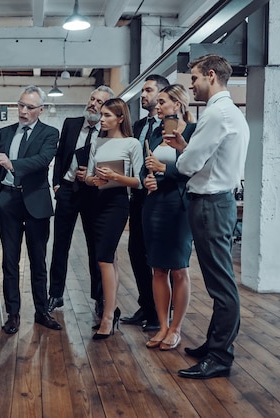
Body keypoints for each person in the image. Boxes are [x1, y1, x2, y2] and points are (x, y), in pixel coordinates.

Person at [166, 54, 249, 379]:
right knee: (220, 281)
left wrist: (184, 153)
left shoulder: (216, 115)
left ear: (211, 76)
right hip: (217, 200)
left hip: (211, 204)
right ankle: (215, 344)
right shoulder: (231, 113)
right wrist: (188, 147)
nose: (192, 86)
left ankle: (220, 356)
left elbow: (187, 166)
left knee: (221, 285)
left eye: (195, 79)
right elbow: (204, 158)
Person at [0, 85, 62, 334]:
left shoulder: (50, 133)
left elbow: (42, 161)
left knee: (38, 261)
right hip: (8, 201)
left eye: (29, 107)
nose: (22, 111)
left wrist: (12, 164)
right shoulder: (5, 132)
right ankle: (13, 314)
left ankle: (42, 311)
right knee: (9, 261)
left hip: (36, 203)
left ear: (40, 110)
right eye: (20, 105)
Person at [48, 85, 114, 315]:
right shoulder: (71, 123)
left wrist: (93, 174)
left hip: (93, 194)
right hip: (66, 190)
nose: (93, 104)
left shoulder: (109, 132)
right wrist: (56, 184)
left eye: (99, 102)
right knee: (60, 245)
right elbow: (59, 156)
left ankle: (99, 298)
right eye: (92, 99)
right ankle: (55, 294)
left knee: (94, 248)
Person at [141, 84, 195, 351]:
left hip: (179, 206)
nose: (157, 106)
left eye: (162, 102)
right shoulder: (154, 133)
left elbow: (196, 169)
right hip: (154, 205)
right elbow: (144, 167)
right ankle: (162, 326)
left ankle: (176, 327)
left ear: (177, 104)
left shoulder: (193, 133)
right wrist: (147, 179)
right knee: (158, 268)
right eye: (157, 102)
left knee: (179, 268)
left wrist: (166, 169)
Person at [85, 98, 142, 339]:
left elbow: (139, 181)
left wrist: (116, 176)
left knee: (104, 259)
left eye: (107, 115)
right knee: (110, 259)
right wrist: (94, 180)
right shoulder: (97, 142)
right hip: (96, 202)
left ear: (120, 118)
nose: (102, 119)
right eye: (101, 115)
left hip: (117, 204)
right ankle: (111, 310)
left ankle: (107, 316)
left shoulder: (132, 143)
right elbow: (87, 176)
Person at [120, 74, 169, 332]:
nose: (143, 95)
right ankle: (146, 305)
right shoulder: (139, 126)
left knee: (157, 257)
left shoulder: (170, 128)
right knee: (136, 252)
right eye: (143, 91)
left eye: (148, 90)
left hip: (159, 197)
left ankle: (161, 312)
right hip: (137, 197)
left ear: (162, 94)